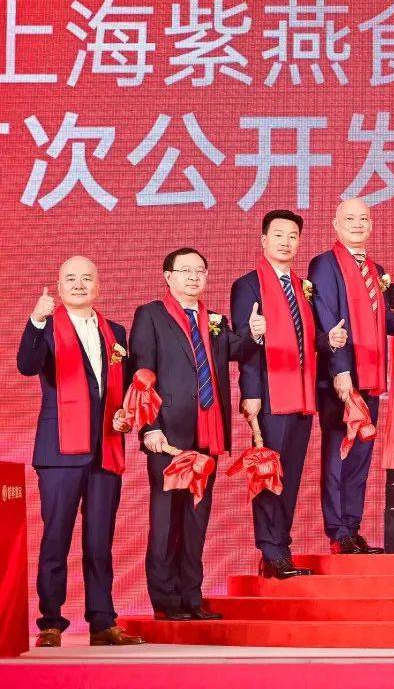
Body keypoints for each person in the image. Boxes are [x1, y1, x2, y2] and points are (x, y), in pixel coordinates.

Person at [16, 256, 145, 647]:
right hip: (59, 451)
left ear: (98, 286)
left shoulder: (115, 332)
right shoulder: (47, 328)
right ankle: (50, 622)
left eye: (86, 278)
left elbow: (124, 387)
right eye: (70, 278)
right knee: (56, 537)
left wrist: (125, 413)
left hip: (105, 448)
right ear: (58, 287)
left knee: (100, 540)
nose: (78, 284)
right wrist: (36, 320)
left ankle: (103, 622)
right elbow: (26, 366)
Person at [129, 248, 263, 620]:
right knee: (165, 519)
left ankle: (191, 595)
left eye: (200, 271)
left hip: (207, 432)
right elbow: (141, 372)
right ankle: (165, 600)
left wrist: (253, 334)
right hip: (167, 436)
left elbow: (238, 350)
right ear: (168, 276)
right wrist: (149, 427)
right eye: (185, 270)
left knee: (196, 518)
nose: (193, 277)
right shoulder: (150, 315)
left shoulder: (214, 319)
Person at [308, 198, 394, 554]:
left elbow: (384, 320)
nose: (357, 224)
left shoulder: (375, 269)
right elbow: (328, 319)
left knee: (360, 458)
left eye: (363, 218)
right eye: (350, 218)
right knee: (338, 455)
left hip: (370, 377)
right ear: (335, 224)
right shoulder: (325, 265)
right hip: (341, 380)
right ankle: (337, 532)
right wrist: (341, 371)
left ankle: (353, 529)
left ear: (371, 224)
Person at [231, 210, 345, 579]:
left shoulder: (302, 287)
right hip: (269, 396)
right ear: (263, 240)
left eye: (292, 236)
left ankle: (281, 549)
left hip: (301, 394)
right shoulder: (248, 285)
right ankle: (271, 550)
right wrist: (250, 393)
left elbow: (305, 340)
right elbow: (244, 345)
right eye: (278, 234)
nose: (285, 242)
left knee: (290, 476)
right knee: (269, 474)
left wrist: (328, 340)